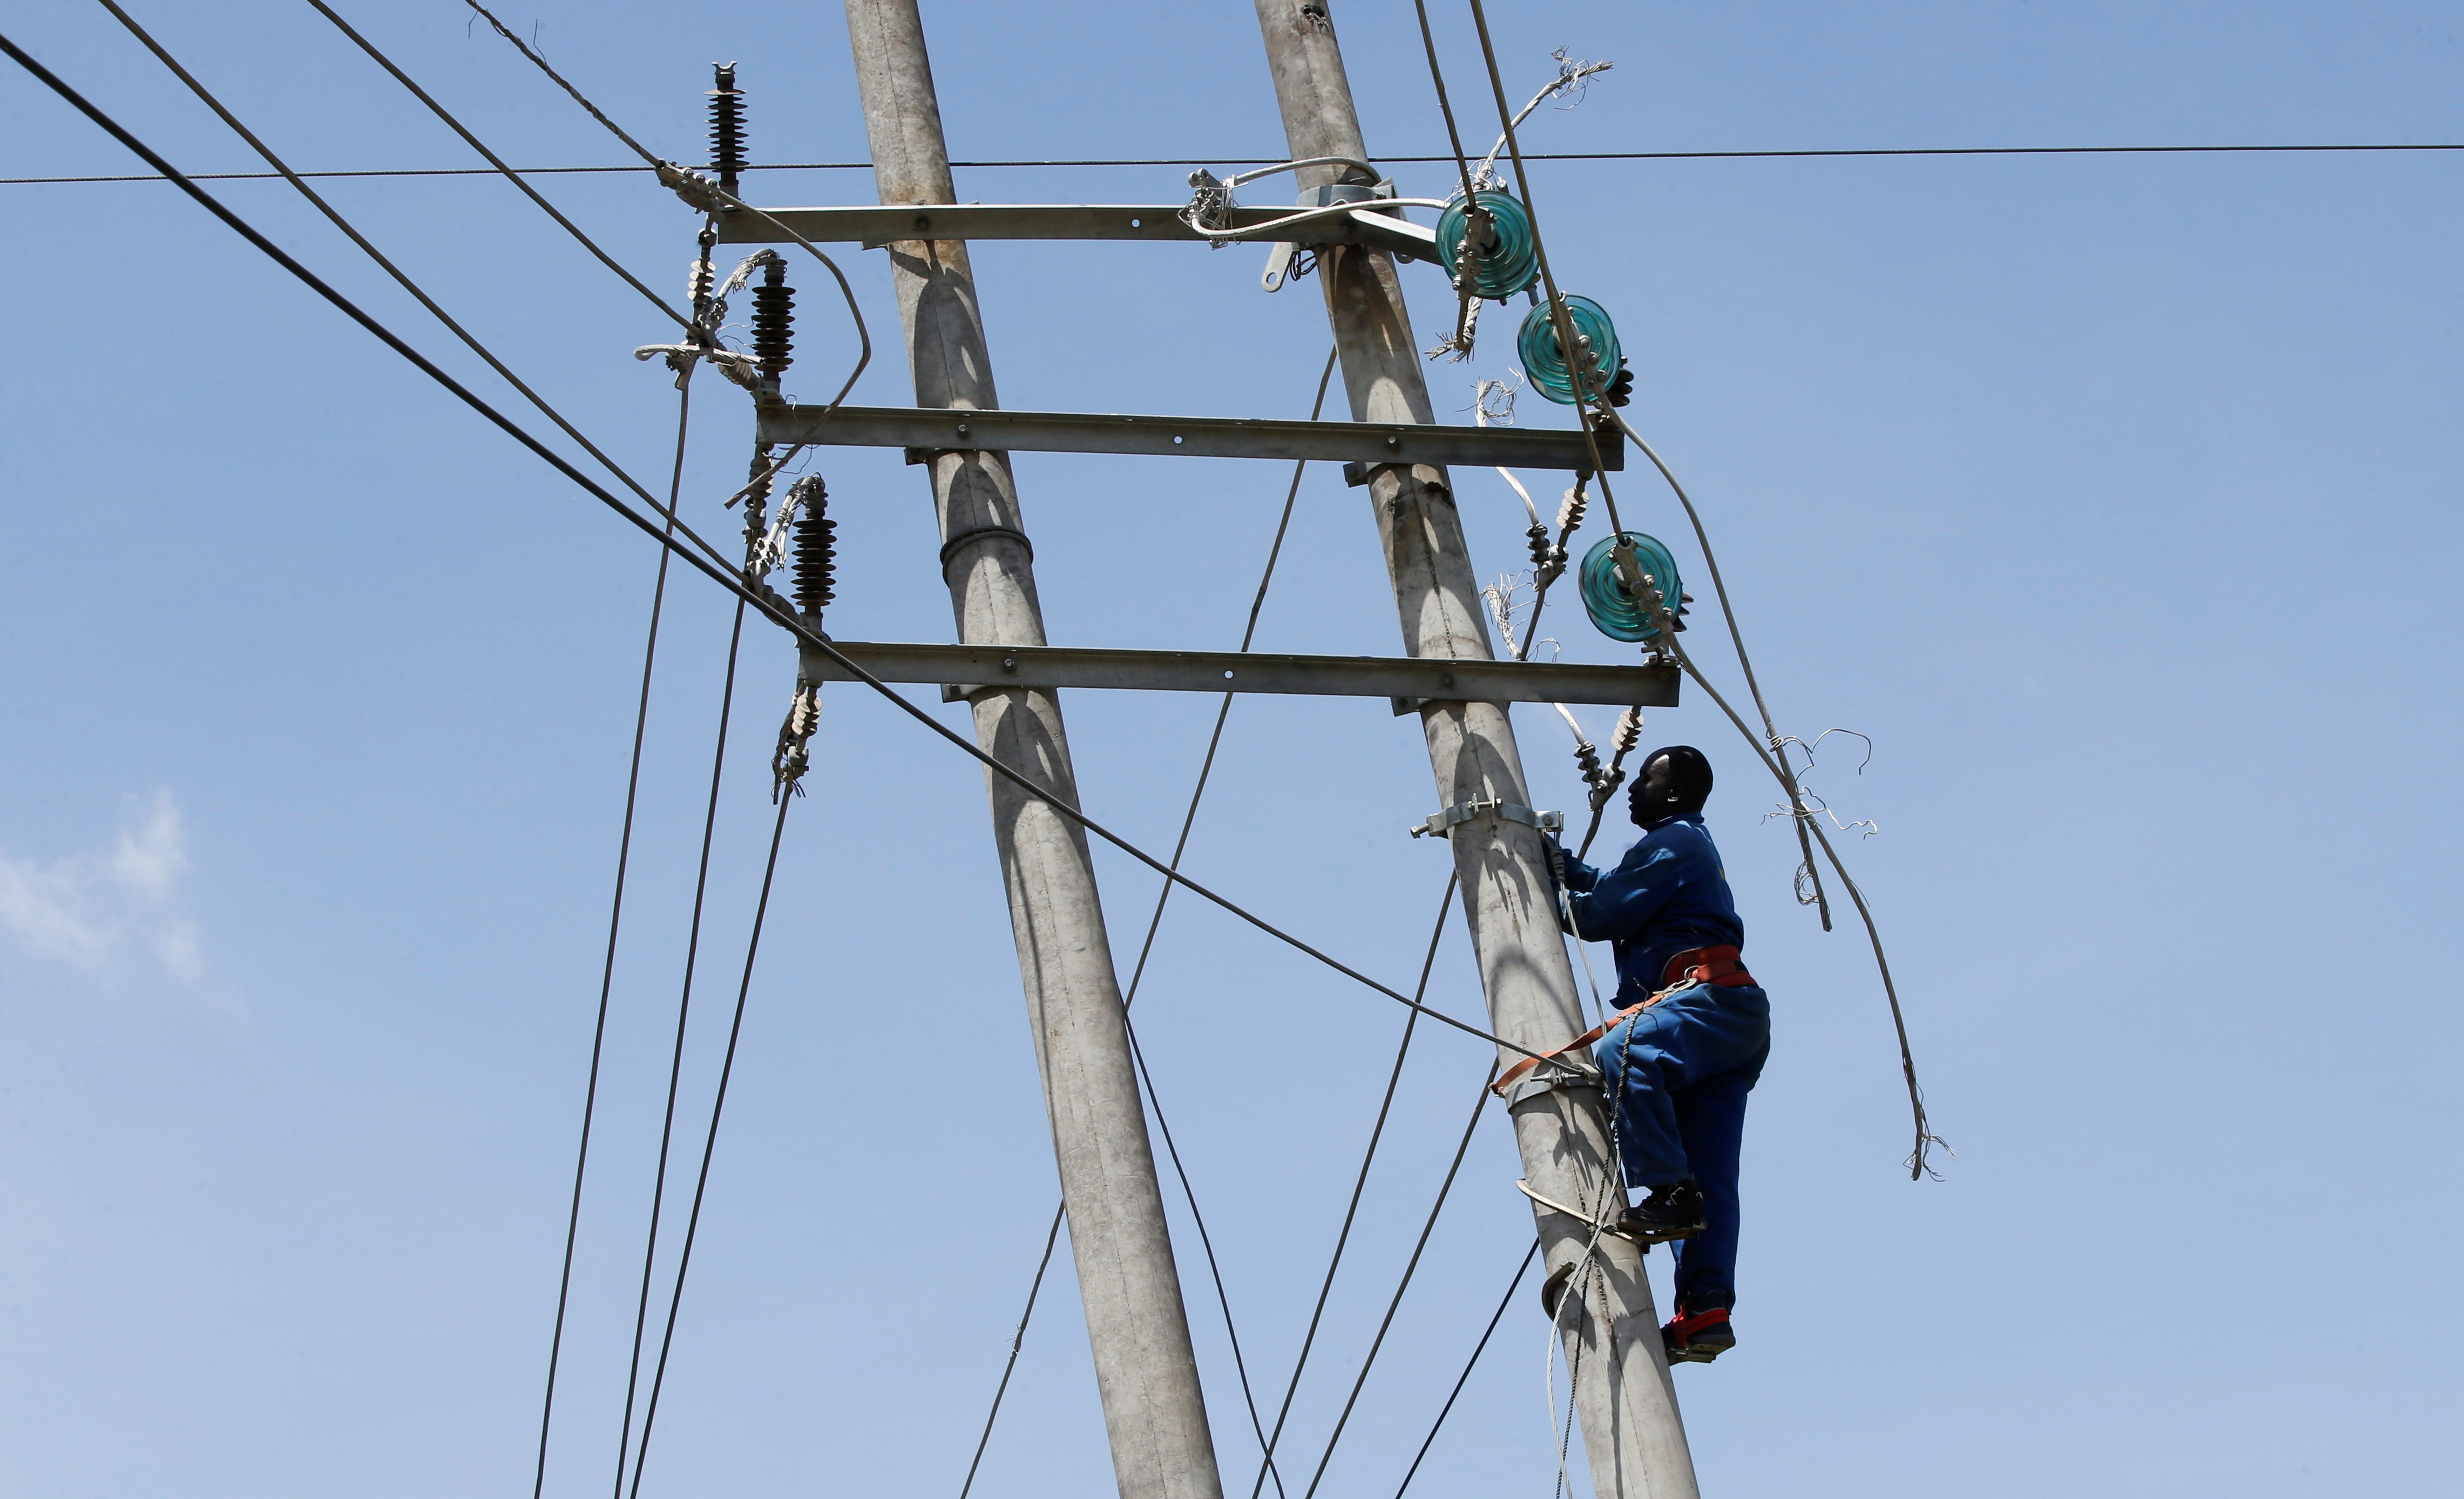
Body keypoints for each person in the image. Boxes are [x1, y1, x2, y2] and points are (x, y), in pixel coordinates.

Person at [1548, 745, 1768, 1364]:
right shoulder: (1677, 847)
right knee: (1713, 1175)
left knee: (1626, 1050)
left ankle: (1669, 1192)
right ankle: (1704, 1310)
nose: (1632, 785)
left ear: (1672, 793)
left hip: (1706, 1003)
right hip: (1726, 1016)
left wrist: (1539, 873)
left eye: (1646, 776)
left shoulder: (1674, 840)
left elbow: (1596, 915)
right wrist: (1559, 863)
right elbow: (1610, 890)